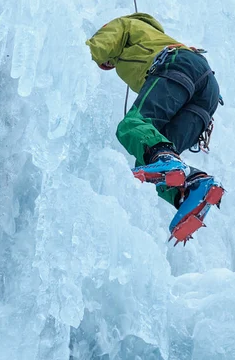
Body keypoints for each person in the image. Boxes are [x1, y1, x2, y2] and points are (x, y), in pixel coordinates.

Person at [87, 12, 225, 242]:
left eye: (109, 62)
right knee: (152, 162)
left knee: (132, 126)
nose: (110, 64)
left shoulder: (124, 24)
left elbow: (90, 50)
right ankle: (193, 188)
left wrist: (65, 55)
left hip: (179, 65)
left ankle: (175, 170)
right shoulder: (154, 39)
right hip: (207, 92)